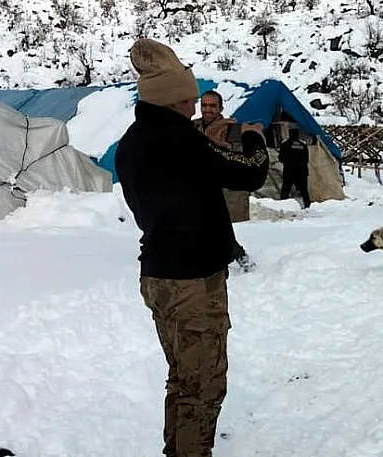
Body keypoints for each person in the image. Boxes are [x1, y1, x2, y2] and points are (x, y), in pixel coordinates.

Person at [114, 38, 269, 457]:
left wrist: (209, 145)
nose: (194, 108)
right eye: (189, 100)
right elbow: (249, 174)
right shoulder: (180, 140)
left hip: (159, 276)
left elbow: (184, 180)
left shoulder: (133, 140)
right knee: (203, 387)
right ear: (174, 100)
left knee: (182, 377)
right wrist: (252, 138)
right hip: (192, 282)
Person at [193, 90, 256, 272]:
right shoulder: (191, 127)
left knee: (217, 223)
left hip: (221, 186)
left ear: (221, 107)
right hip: (195, 184)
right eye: (204, 105)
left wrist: (223, 148)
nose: (207, 110)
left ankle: (237, 255)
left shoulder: (232, 129)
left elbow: (241, 158)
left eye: (212, 106)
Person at [277, 128, 311, 208]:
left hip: (289, 171)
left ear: (289, 134)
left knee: (286, 188)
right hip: (302, 171)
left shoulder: (285, 144)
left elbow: (281, 158)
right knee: (304, 189)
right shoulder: (303, 145)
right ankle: (307, 205)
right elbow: (307, 159)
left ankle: (283, 204)